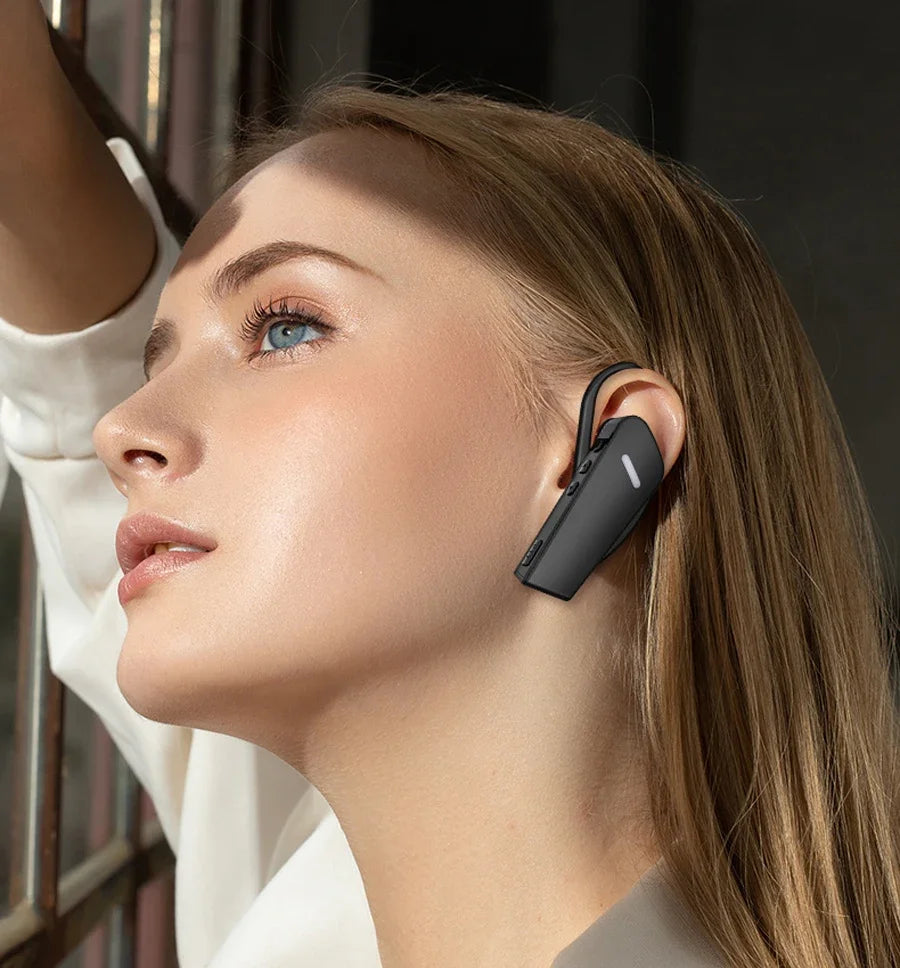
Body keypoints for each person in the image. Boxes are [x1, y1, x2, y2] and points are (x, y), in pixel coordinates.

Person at [2, 4, 898, 967]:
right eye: (157, 364)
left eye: (286, 326)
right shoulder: (308, 899)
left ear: (600, 450)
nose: (119, 431)